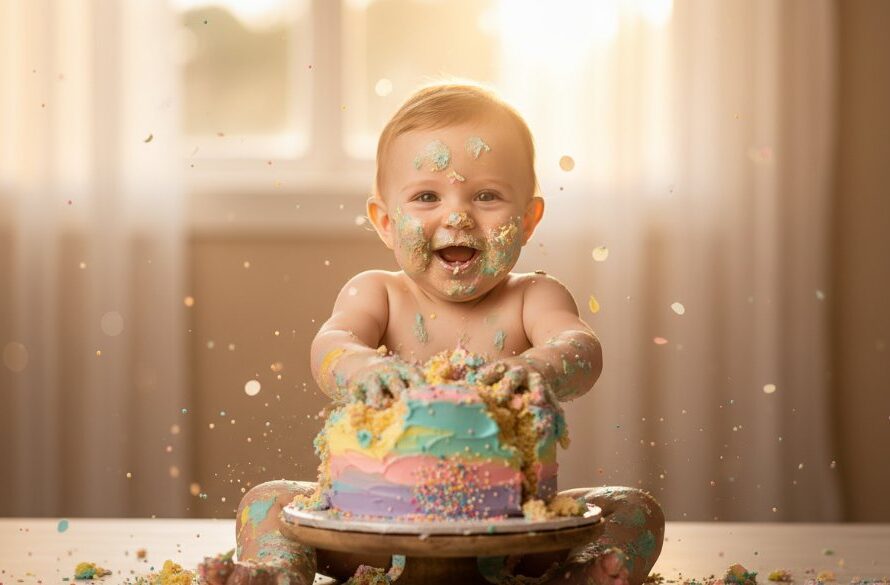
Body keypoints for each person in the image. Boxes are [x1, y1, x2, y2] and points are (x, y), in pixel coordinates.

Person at [200, 83, 664, 585]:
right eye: (426, 196)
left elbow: (580, 348)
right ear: (384, 222)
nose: (457, 215)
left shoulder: (534, 297)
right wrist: (363, 367)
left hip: (513, 530)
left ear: (528, 220)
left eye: (486, 195)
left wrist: (537, 368)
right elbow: (332, 344)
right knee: (269, 500)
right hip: (377, 533)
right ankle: (277, 572)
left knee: (632, 509)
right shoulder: (377, 293)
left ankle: (578, 576)